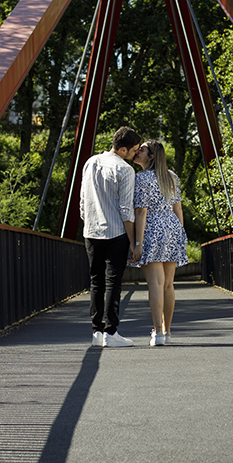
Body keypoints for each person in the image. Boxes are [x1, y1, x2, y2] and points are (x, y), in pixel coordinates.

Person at [79, 126, 142, 347]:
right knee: (113, 283)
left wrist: (89, 224)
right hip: (116, 232)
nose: (135, 154)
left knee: (96, 282)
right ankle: (111, 332)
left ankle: (96, 332)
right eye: (134, 150)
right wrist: (134, 242)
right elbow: (126, 210)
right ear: (123, 149)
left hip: (91, 232)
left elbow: (83, 201)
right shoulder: (125, 170)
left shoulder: (90, 162)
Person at [128, 139, 188, 346]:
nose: (138, 151)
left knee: (155, 283)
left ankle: (158, 332)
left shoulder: (141, 178)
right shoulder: (172, 177)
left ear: (151, 156)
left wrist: (138, 243)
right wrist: (180, 235)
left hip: (152, 229)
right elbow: (178, 208)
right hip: (172, 228)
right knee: (168, 284)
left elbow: (141, 211)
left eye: (142, 150)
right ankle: (167, 331)